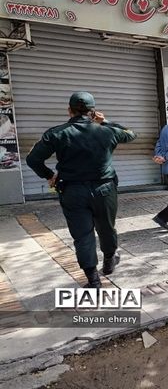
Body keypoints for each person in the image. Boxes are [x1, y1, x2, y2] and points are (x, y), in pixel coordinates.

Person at [26, 92, 136, 288]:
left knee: (82, 234)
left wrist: (49, 175)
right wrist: (105, 121)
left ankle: (93, 279)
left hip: (72, 192)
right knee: (106, 227)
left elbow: (33, 159)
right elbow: (131, 135)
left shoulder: (56, 133)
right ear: (93, 111)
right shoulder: (107, 131)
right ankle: (109, 260)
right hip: (105, 189)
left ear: (69, 110)